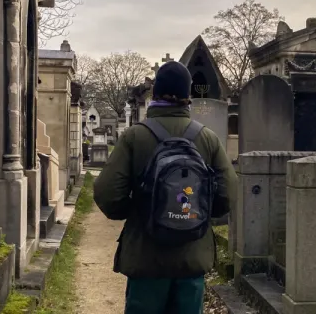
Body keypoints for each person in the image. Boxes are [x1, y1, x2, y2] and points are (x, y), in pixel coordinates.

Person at [94, 60, 237, 314]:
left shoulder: (134, 137)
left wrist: (140, 210)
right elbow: (227, 195)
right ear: (187, 96)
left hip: (146, 258)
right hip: (191, 258)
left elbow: (107, 193)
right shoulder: (207, 138)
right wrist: (196, 214)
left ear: (156, 93)